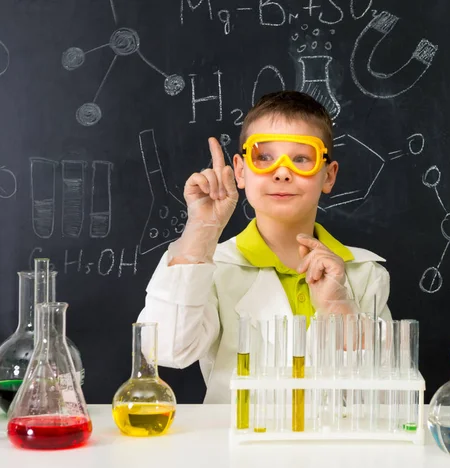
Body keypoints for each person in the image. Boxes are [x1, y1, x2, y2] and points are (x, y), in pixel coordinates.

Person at [138, 90, 391, 403]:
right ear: (241, 170)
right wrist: (199, 235)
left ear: (328, 175)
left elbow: (384, 394)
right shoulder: (215, 266)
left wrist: (339, 308)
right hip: (236, 444)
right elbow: (167, 350)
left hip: (333, 446)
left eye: (302, 159)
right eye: (265, 157)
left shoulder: (364, 274)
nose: (282, 172)